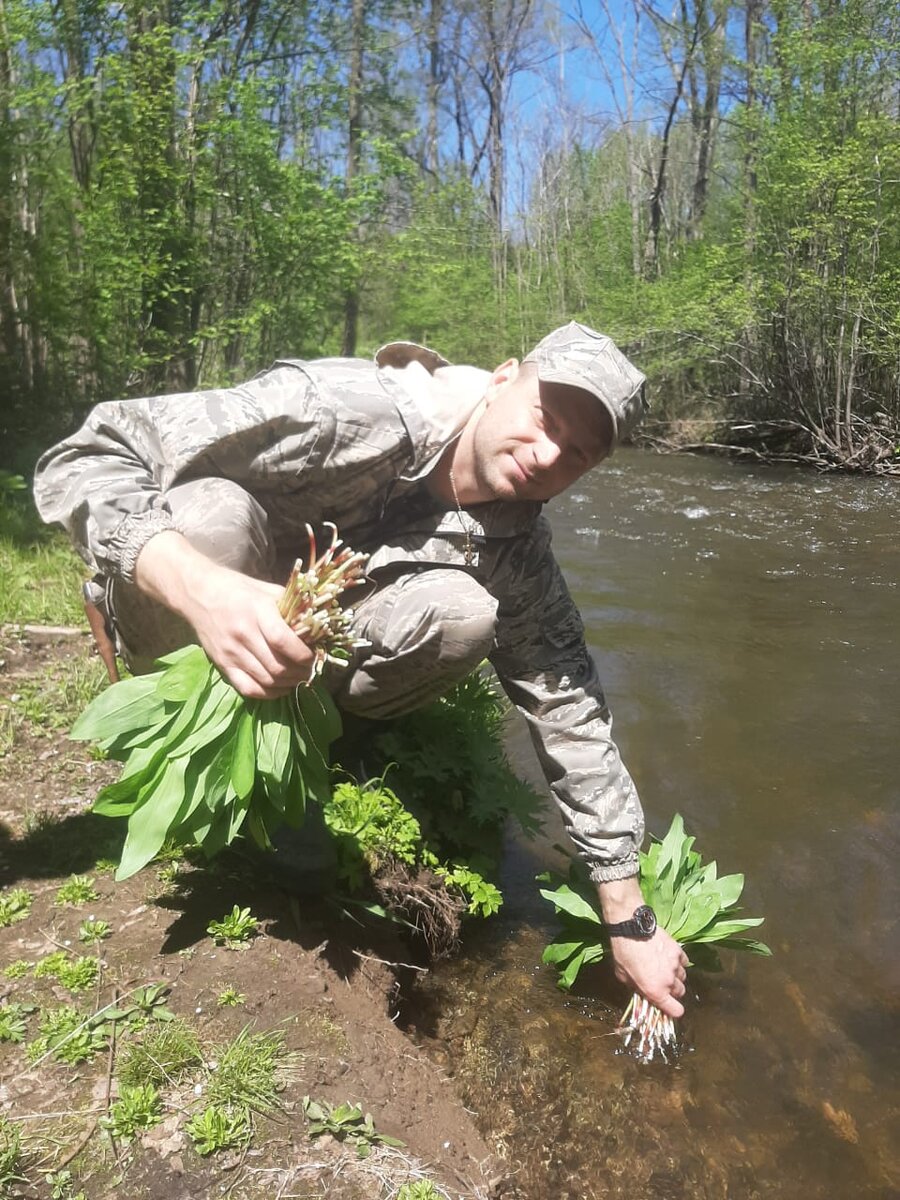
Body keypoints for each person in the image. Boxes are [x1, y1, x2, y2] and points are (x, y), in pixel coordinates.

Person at [33, 321, 688, 1018]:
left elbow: (568, 706)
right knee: (212, 518)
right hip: (196, 595)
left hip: (303, 648)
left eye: (577, 453)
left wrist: (627, 915)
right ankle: (170, 702)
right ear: (501, 380)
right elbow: (87, 452)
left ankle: (295, 750)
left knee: (464, 612)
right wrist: (201, 587)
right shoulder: (340, 411)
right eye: (545, 418)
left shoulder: (517, 547)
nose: (548, 453)